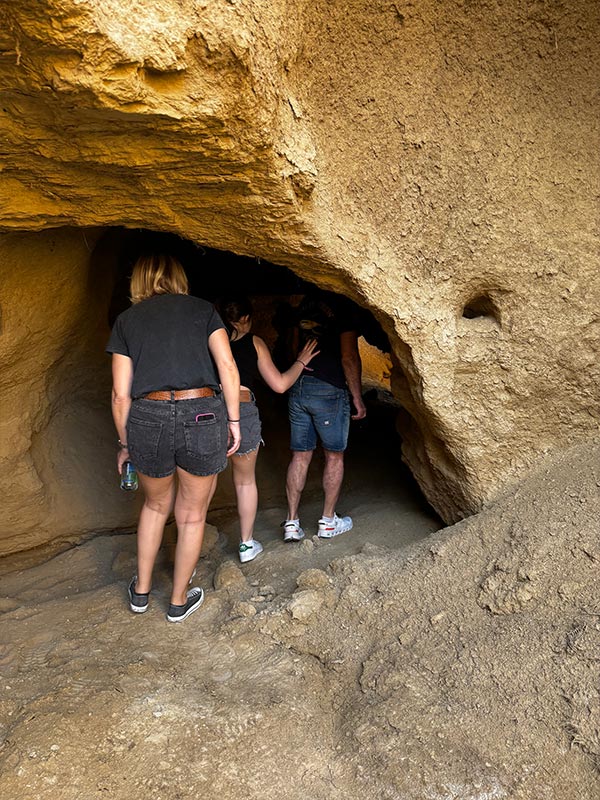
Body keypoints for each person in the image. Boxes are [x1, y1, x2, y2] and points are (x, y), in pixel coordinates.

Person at [106, 253, 241, 623]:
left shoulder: (126, 322)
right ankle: (179, 601)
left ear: (139, 280)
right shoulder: (203, 311)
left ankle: (141, 592)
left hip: (148, 416)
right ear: (178, 277)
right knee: (192, 514)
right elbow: (228, 367)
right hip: (201, 412)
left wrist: (125, 444)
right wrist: (233, 420)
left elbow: (120, 394)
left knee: (154, 506)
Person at [216, 296, 319, 563]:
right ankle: (246, 544)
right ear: (247, 318)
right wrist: (300, 361)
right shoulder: (254, 343)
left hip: (209, 411)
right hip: (243, 410)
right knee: (244, 481)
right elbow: (280, 384)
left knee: (202, 482)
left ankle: (189, 546)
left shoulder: (211, 341)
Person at [284, 289, 367, 541]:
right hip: (329, 388)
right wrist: (357, 396)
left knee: (300, 456)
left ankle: (291, 522)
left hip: (299, 385)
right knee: (334, 456)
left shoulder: (304, 303)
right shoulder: (344, 307)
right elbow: (348, 357)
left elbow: (293, 347)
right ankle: (328, 521)